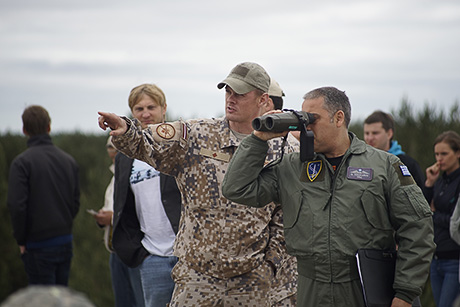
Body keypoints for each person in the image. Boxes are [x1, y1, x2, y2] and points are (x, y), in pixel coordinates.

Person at [97, 62, 298, 306]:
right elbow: (147, 142)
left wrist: (269, 264)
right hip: (197, 278)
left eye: (240, 94)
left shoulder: (284, 148)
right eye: (228, 92)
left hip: (252, 281)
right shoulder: (197, 134)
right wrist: (126, 129)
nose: (230, 99)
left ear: (263, 99)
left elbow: (286, 216)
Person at [222, 86, 436, 307]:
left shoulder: (384, 166)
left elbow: (417, 228)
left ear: (339, 118)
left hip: (367, 287)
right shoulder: (292, 168)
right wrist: (258, 139)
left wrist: (405, 293)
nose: (307, 127)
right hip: (311, 288)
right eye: (303, 120)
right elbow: (236, 188)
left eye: (312, 119)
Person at [111, 83, 182, 307]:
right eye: (139, 109)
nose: (146, 113)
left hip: (187, 255)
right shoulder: (124, 156)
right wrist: (139, 251)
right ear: (132, 112)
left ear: (164, 108)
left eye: (151, 107)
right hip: (151, 256)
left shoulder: (179, 146)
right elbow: (122, 205)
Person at [7, 105, 80, 286]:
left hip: (37, 244)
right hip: (65, 240)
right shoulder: (68, 160)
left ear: (24, 130)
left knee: (42, 299)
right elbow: (75, 201)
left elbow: (17, 205)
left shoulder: (22, 163)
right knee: (61, 297)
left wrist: (21, 239)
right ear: (49, 127)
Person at [91, 136, 145, 307]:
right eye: (109, 147)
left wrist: (112, 218)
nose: (113, 151)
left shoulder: (137, 172)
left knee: (140, 301)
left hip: (134, 249)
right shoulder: (114, 175)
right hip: (115, 249)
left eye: (116, 147)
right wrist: (103, 218)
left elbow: (140, 211)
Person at [423, 130, 460, 307]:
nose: (439, 159)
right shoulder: (439, 180)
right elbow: (422, 210)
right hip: (436, 258)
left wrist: (434, 214)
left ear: (458, 153)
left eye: (444, 154)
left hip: (455, 259)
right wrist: (429, 183)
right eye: (437, 154)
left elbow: (455, 221)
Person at [363, 110, 425, 188]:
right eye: (367, 133)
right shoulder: (360, 163)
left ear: (389, 134)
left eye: (375, 133)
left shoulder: (408, 165)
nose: (370, 138)